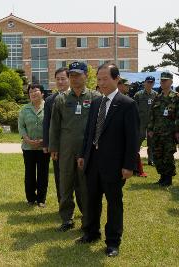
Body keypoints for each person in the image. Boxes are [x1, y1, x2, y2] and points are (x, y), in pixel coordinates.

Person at [77, 63, 139, 257]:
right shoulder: (96, 102)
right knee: (92, 200)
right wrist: (82, 154)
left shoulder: (128, 104)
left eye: (105, 79)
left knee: (114, 203)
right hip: (93, 162)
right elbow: (89, 133)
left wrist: (128, 165)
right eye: (99, 79)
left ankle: (113, 242)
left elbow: (133, 139)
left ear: (116, 79)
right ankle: (91, 232)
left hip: (114, 165)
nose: (101, 83)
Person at [49, 62, 101, 232]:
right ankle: (67, 219)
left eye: (78, 75)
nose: (74, 78)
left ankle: (88, 219)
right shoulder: (61, 99)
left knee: (86, 186)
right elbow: (54, 125)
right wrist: (53, 147)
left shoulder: (95, 97)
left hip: (88, 151)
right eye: (71, 75)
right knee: (65, 184)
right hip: (65, 150)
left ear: (86, 76)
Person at [18, 84, 48, 208]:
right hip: (28, 147)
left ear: (42, 93)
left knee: (43, 173)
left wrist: (44, 140)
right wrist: (28, 140)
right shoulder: (24, 109)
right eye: (31, 92)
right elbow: (21, 127)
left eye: (36, 91)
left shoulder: (48, 107)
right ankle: (30, 198)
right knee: (29, 173)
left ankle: (41, 199)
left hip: (44, 147)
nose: (33, 93)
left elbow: (52, 125)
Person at [43, 67, 70, 204]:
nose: (60, 82)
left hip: (75, 145)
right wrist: (47, 144)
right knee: (60, 177)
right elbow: (46, 124)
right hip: (57, 146)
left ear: (69, 79)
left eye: (63, 78)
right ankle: (62, 204)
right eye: (57, 79)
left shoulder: (77, 97)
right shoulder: (50, 100)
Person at [148, 71, 179, 186]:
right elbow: (152, 115)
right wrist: (150, 129)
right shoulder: (157, 97)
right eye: (161, 80)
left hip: (170, 132)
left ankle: (168, 179)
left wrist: (177, 131)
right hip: (157, 132)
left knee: (168, 155)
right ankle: (162, 177)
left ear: (171, 81)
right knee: (157, 155)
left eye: (165, 80)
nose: (162, 82)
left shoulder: (176, 97)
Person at [134, 76, 157, 167]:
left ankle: (151, 160)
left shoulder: (155, 94)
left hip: (151, 122)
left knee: (151, 142)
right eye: (148, 82)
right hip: (141, 122)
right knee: (139, 139)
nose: (149, 84)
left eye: (151, 82)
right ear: (144, 83)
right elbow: (134, 109)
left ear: (154, 83)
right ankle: (135, 159)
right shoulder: (138, 95)